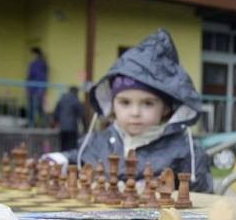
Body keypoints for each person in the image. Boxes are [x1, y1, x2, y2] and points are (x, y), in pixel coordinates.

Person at [45, 29, 212, 192]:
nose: (135, 112)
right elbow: (79, 158)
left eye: (147, 103)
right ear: (112, 103)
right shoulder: (98, 141)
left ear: (166, 108)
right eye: (125, 102)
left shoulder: (186, 151)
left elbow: (204, 202)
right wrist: (60, 159)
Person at [52, 86, 86, 151]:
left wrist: (54, 123)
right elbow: (82, 115)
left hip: (63, 127)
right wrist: (85, 128)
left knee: (63, 146)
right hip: (72, 128)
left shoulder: (62, 99)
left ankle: (63, 159)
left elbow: (56, 112)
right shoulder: (76, 100)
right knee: (72, 148)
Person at [26, 47, 48, 127]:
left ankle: (34, 125)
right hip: (35, 89)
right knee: (36, 108)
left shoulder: (38, 64)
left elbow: (31, 76)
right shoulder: (41, 64)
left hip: (36, 90)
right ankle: (42, 125)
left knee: (35, 108)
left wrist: (42, 90)